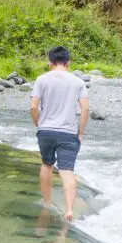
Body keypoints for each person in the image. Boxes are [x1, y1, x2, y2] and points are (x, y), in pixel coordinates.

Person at [29, 46, 89, 221]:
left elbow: (33, 106)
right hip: (68, 132)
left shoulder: (41, 79)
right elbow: (85, 108)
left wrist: (39, 124)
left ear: (50, 63)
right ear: (68, 63)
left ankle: (47, 202)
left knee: (47, 164)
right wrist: (80, 132)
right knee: (67, 171)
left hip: (46, 130)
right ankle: (69, 210)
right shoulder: (78, 82)